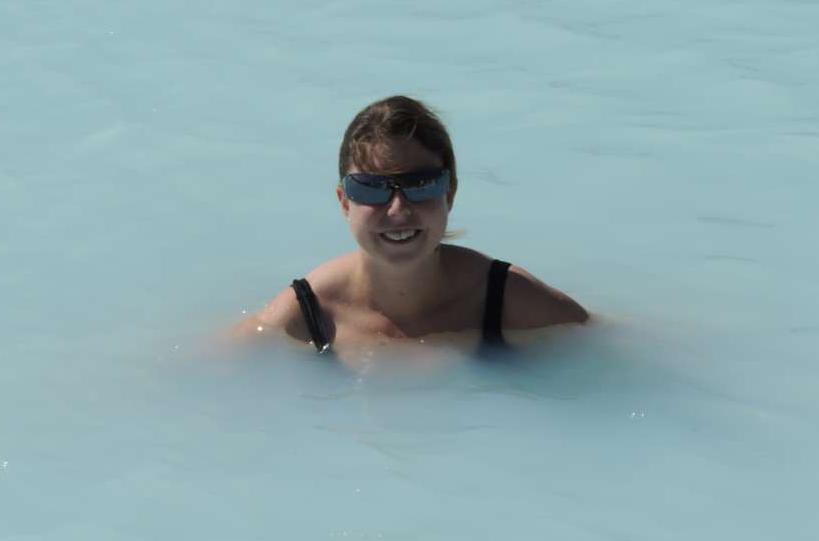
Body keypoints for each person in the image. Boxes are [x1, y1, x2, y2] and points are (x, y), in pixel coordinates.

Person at [235, 96, 590, 360]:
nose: (398, 208)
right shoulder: (310, 314)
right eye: (371, 187)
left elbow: (608, 347)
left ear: (449, 195)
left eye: (422, 185)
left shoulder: (504, 299)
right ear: (344, 202)